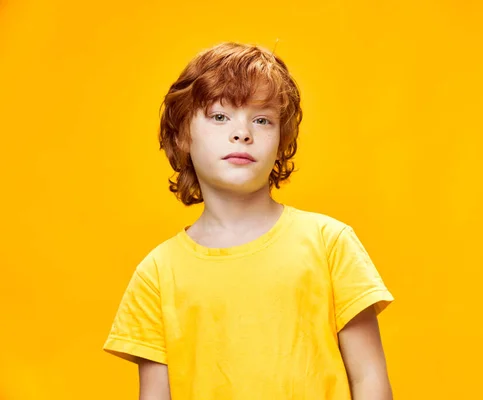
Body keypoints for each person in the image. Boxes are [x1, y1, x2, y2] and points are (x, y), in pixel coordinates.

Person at [103, 41, 394, 400]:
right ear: (182, 136)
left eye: (261, 120)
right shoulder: (157, 274)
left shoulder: (329, 242)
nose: (243, 133)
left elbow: (369, 379)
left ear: (281, 141)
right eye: (220, 116)